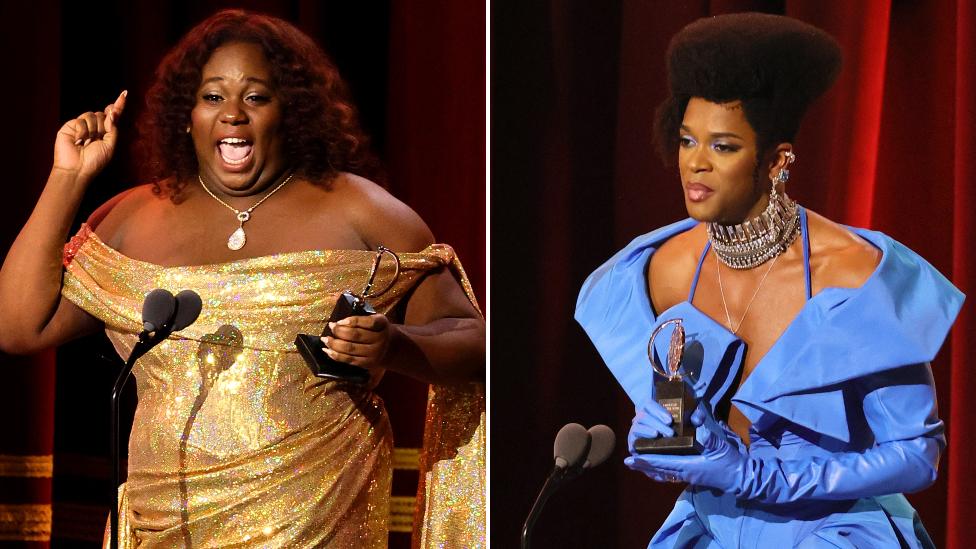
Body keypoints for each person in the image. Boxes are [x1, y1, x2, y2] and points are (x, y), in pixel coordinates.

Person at [0, 9, 484, 548]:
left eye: (255, 96)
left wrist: (395, 345)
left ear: (291, 112)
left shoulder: (364, 213)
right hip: (165, 528)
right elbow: (19, 325)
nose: (232, 114)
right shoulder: (130, 219)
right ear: (187, 115)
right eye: (212, 97)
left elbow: (473, 340)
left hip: (316, 525)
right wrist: (68, 178)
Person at [575, 13, 962, 548]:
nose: (696, 165)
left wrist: (760, 478)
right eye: (688, 141)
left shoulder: (852, 273)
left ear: (777, 160)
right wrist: (668, 445)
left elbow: (917, 456)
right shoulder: (664, 268)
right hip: (709, 528)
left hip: (834, 530)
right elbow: (681, 420)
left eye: (724, 146)